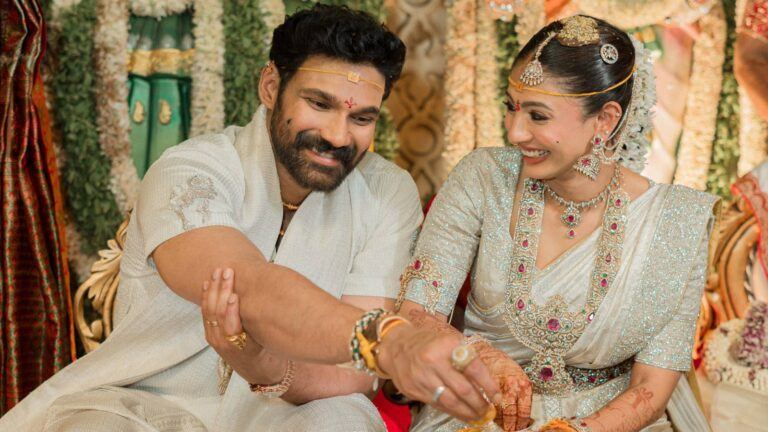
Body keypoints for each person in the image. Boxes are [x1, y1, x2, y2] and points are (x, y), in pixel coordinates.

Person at [0, 5, 505, 431]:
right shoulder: (192, 170)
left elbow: (352, 376)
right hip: (148, 406)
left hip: (291, 411)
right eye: (318, 103)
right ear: (270, 85)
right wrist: (389, 340)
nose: (337, 134)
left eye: (361, 117)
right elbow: (250, 284)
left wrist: (262, 366)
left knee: (345, 417)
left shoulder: (386, 190)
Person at [397, 15, 717, 432]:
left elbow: (651, 389)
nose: (515, 131)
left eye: (538, 116)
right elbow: (415, 315)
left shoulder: (677, 221)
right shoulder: (482, 177)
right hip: (477, 410)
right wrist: (476, 354)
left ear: (604, 120)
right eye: (511, 108)